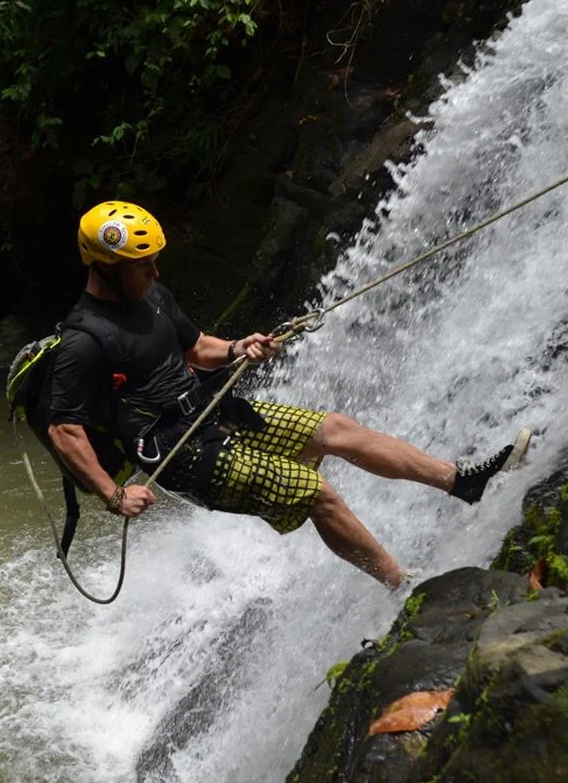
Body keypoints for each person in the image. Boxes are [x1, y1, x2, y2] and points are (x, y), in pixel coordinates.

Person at [46, 201, 530, 590]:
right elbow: (64, 430)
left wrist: (239, 347)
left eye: (153, 261)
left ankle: (462, 482)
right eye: (141, 265)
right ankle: (402, 584)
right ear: (106, 267)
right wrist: (113, 496)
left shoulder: (153, 296)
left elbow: (197, 349)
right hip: (181, 453)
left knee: (336, 429)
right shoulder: (84, 340)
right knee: (315, 492)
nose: (154, 272)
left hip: (214, 414)